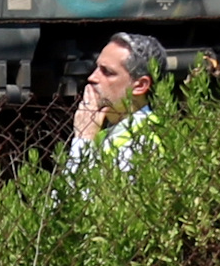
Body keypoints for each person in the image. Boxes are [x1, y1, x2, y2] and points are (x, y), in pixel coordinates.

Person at [68, 32, 169, 175]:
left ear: (140, 85)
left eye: (107, 72)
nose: (92, 77)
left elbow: (76, 196)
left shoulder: (143, 144)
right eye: (96, 68)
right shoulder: (106, 132)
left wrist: (83, 140)